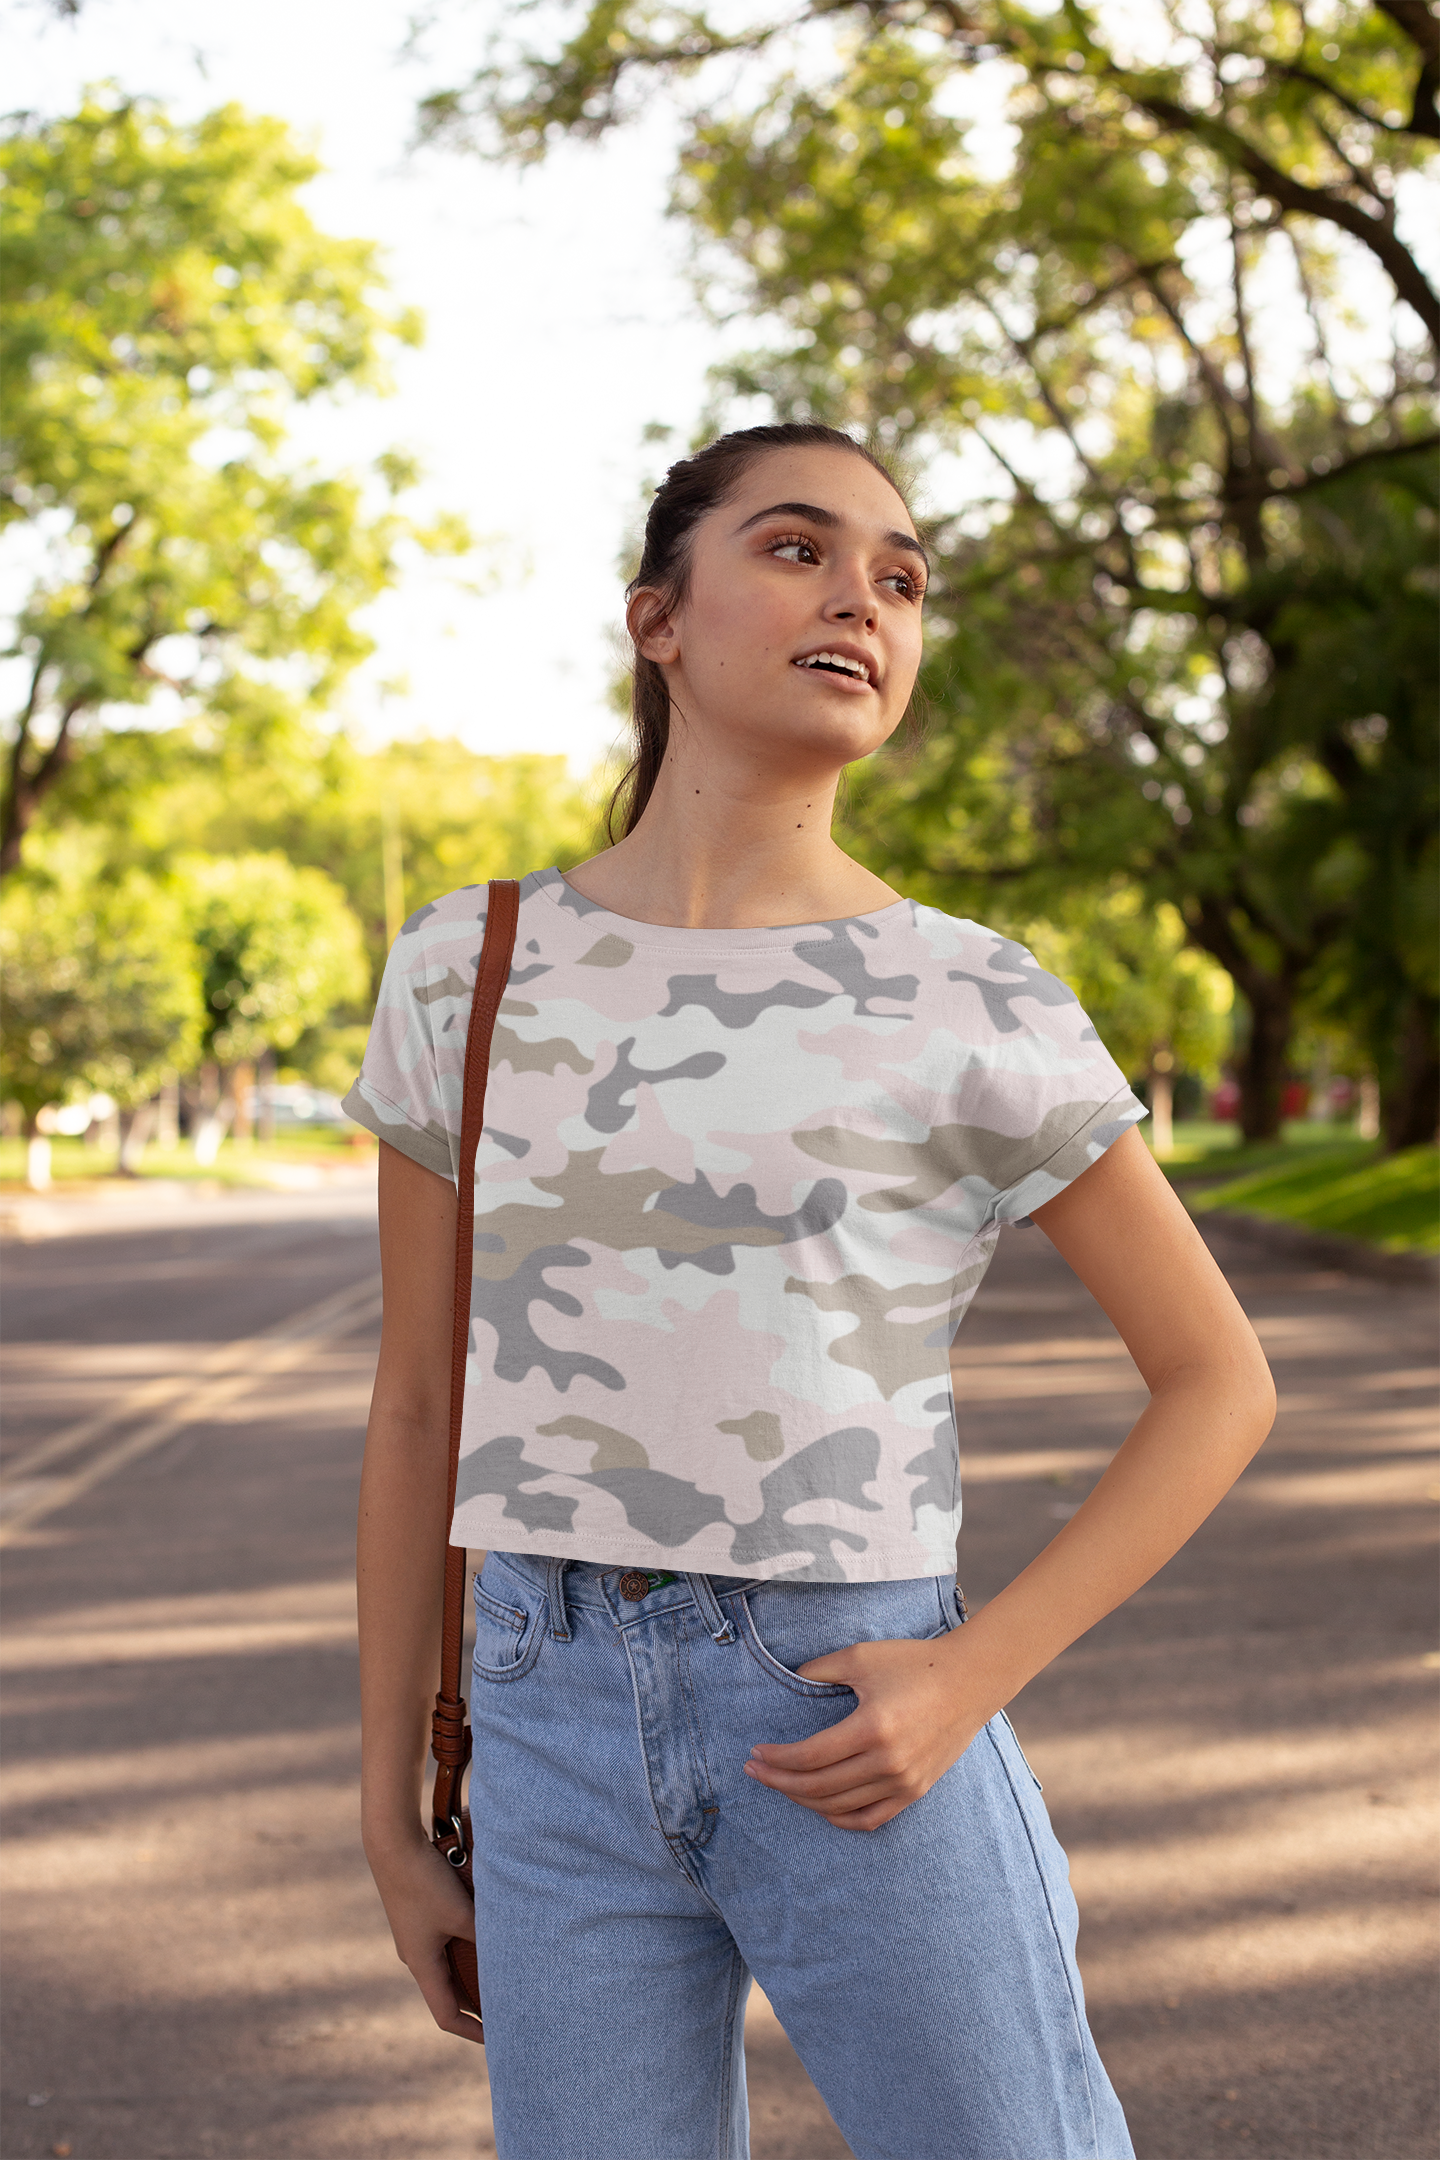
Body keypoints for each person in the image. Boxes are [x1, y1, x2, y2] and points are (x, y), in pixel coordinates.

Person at [346, 421, 1275, 2160]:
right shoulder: (468, 969)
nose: (865, 595)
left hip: (851, 1702)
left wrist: (969, 1677)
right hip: (545, 1717)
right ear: (659, 620)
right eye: (797, 549)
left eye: (903, 578)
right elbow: (416, 1405)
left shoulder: (971, 996)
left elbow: (1219, 1381)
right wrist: (394, 1811)